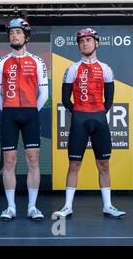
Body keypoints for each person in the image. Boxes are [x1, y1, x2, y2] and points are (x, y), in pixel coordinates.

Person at [54, 28, 126, 218]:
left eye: (88, 40)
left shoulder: (106, 69)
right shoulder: (72, 69)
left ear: (97, 43)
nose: (84, 43)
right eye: (81, 41)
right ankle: (68, 206)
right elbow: (65, 97)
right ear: (78, 46)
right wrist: (77, 113)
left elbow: (109, 100)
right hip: (80, 120)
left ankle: (108, 206)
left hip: (99, 120)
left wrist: (99, 113)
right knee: (74, 165)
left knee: (104, 164)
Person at [0, 18, 49, 221]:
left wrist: (32, 109)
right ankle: (11, 207)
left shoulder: (37, 61)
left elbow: (44, 92)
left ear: (26, 36)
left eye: (18, 32)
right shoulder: (1, 61)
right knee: (9, 161)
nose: (14, 35)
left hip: (30, 114)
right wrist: (8, 108)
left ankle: (32, 207)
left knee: (33, 160)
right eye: (11, 33)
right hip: (9, 114)